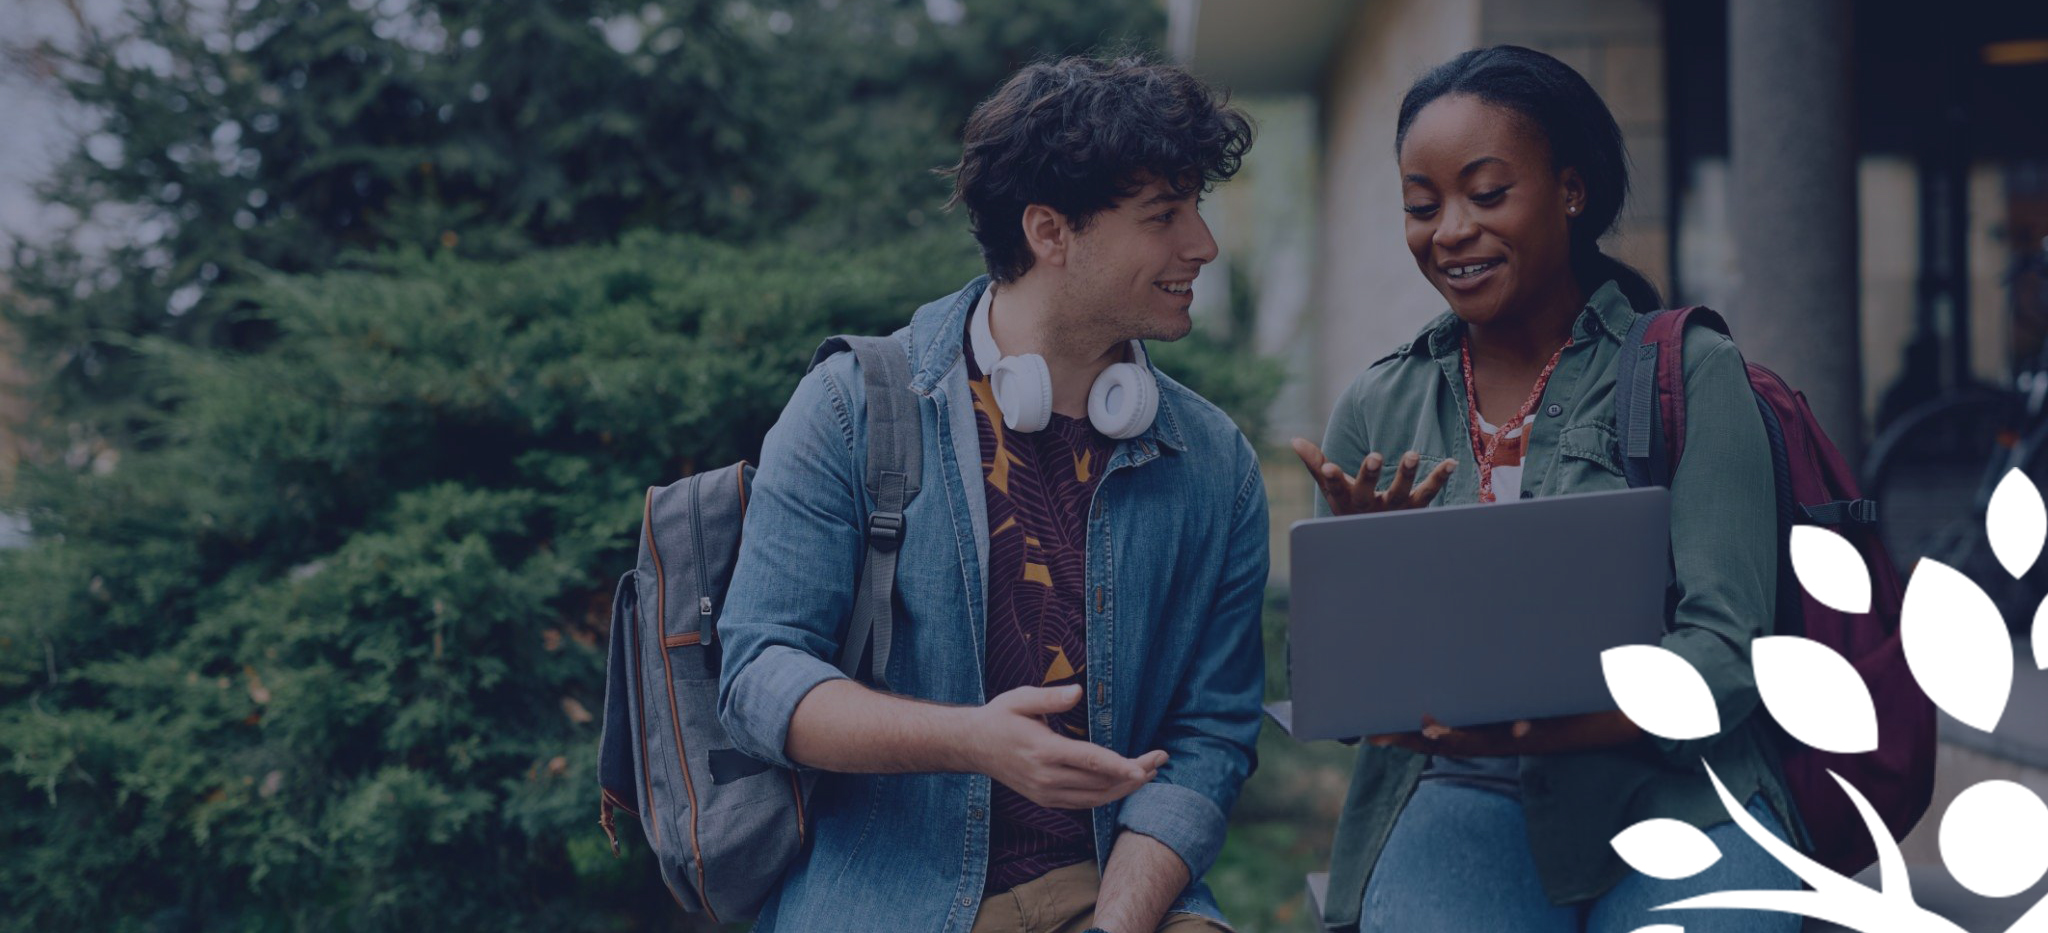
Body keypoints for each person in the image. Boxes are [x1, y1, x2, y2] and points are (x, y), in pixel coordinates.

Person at [715, 56, 1268, 933]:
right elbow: (758, 677)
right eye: (1163, 216)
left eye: (1194, 208)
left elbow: (1213, 736)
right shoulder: (847, 409)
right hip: (886, 896)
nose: (1200, 243)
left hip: (1116, 890)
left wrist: (1118, 924)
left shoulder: (1215, 464)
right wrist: (968, 739)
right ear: (1051, 231)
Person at [1290, 45, 1805, 932]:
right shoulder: (1379, 404)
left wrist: (1545, 730)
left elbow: (1727, 656)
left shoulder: (1691, 372)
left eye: (1487, 194)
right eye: (1423, 205)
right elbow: (1340, 697)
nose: (1449, 230)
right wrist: (1367, 600)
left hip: (1678, 787)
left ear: (1571, 189)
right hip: (1459, 787)